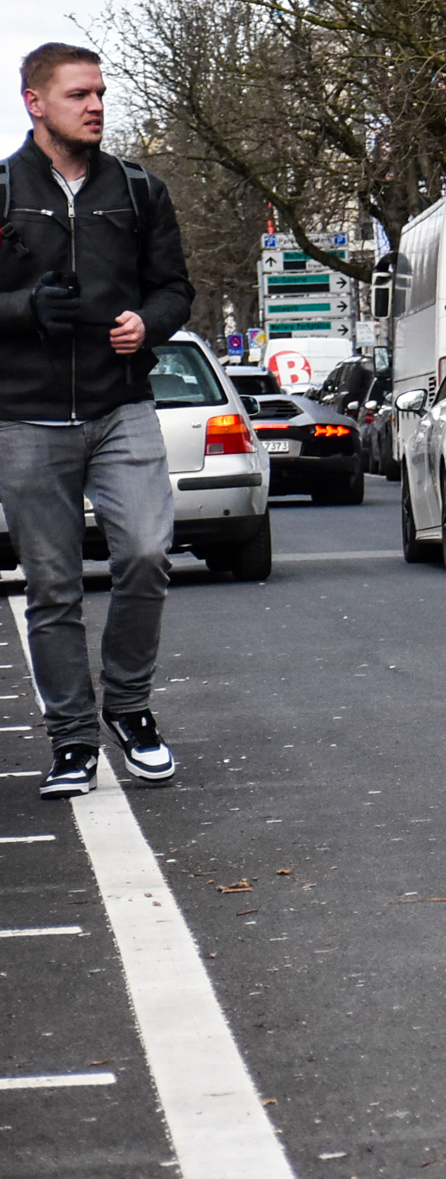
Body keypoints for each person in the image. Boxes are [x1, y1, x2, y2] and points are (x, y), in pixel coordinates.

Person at [0, 44, 195, 798]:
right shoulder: (5, 190)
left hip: (122, 408)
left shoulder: (140, 191)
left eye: (102, 94)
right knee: (52, 587)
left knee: (147, 554)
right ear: (34, 102)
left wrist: (147, 325)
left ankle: (131, 707)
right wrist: (23, 311)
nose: (96, 106)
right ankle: (73, 740)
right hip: (25, 416)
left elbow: (175, 290)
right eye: (79, 94)